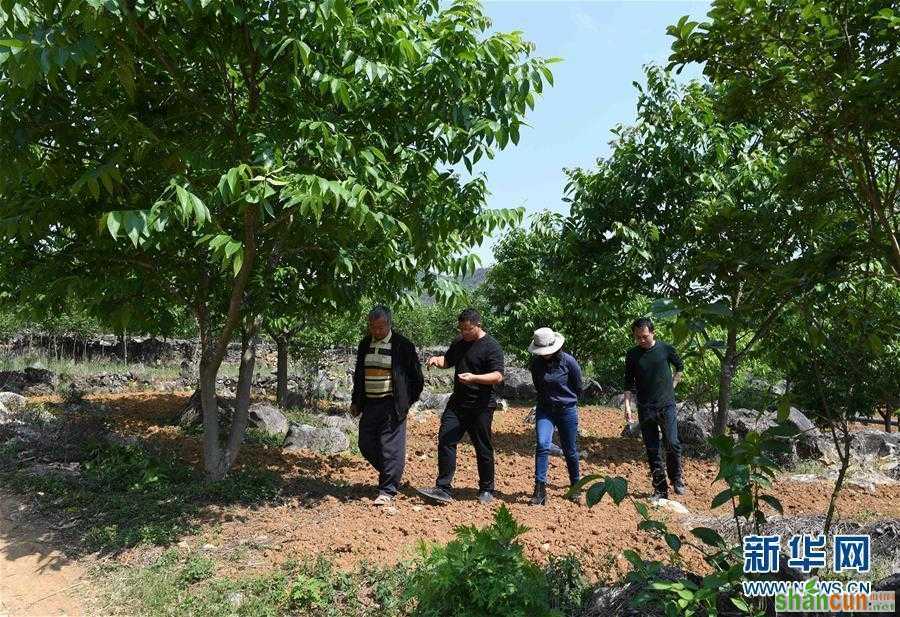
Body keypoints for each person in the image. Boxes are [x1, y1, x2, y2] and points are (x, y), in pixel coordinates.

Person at [416, 308, 504, 505]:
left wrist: (474, 378)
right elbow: (448, 360)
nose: (464, 333)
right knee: (446, 439)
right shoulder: (460, 341)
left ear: (478, 326)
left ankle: (487, 489)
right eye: (461, 329)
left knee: (483, 446)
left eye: (468, 329)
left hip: (481, 406)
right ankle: (443, 488)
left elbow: (498, 376)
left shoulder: (491, 347)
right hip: (458, 403)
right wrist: (436, 361)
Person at [350, 305, 424, 506]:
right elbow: (359, 375)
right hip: (370, 404)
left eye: (381, 327)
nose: (377, 331)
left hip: (392, 404)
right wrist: (356, 401)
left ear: (389, 324)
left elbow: (417, 379)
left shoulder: (402, 345)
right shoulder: (365, 344)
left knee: (390, 448)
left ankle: (387, 490)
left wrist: (406, 402)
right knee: (365, 443)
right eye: (373, 327)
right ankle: (391, 473)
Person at [623, 317, 685, 501]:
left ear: (652, 333)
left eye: (644, 336)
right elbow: (628, 382)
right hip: (645, 407)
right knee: (652, 448)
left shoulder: (665, 349)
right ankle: (660, 489)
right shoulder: (632, 354)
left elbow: (679, 367)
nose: (641, 340)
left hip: (666, 405)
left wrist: (672, 386)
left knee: (672, 443)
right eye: (637, 337)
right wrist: (627, 406)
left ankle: (676, 478)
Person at [527, 327, 583, 506]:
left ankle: (575, 486)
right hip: (545, 409)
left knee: (570, 450)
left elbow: (578, 386)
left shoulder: (569, 362)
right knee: (543, 445)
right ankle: (539, 490)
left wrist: (566, 400)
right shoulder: (536, 364)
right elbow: (538, 386)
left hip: (567, 410)